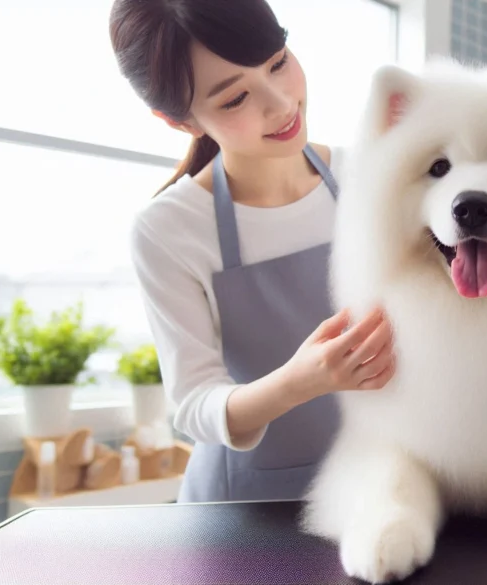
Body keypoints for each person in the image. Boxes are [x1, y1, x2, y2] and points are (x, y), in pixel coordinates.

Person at [109, 0, 395, 503]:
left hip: (381, 485)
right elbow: (194, 403)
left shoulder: (372, 174)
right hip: (246, 511)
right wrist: (299, 382)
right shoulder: (168, 229)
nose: (281, 103)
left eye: (278, 62)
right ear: (180, 122)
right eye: (235, 98)